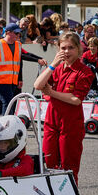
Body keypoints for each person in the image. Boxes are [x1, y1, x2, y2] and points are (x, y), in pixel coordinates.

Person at [34, 32, 94, 184]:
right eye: (63, 48)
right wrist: (53, 64)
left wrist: (52, 92)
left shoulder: (84, 71)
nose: (66, 52)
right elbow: (38, 85)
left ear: (79, 49)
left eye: (71, 48)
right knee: (49, 165)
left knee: (69, 169)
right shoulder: (58, 69)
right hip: (51, 124)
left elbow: (75, 99)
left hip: (70, 127)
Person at [0, 23, 47, 128]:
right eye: (16, 33)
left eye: (19, 33)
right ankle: (6, 126)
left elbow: (23, 58)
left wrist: (38, 59)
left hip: (13, 80)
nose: (18, 35)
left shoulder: (18, 45)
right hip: (2, 80)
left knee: (2, 103)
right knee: (9, 103)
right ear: (8, 32)